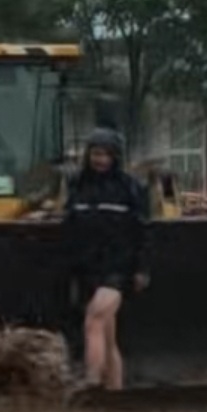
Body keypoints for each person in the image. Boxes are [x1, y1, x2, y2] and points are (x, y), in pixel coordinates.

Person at [62, 128, 151, 392]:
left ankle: (92, 383)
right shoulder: (77, 185)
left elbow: (143, 231)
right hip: (87, 268)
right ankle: (115, 391)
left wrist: (142, 269)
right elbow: (70, 224)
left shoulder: (129, 188)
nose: (100, 160)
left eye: (106, 155)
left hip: (118, 268)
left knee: (94, 319)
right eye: (96, 154)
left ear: (115, 157)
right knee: (108, 337)